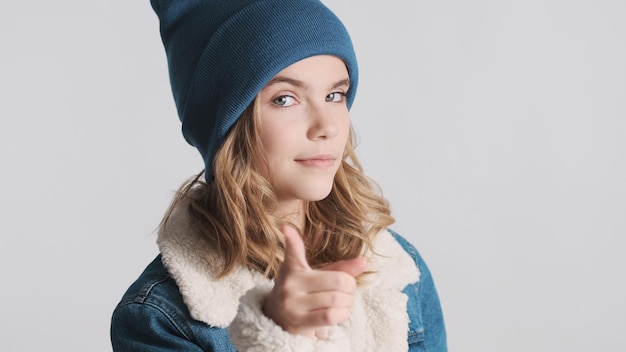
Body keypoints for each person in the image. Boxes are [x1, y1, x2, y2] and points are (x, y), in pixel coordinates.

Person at [110, 0, 447, 351]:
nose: (327, 126)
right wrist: (280, 336)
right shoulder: (159, 318)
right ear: (226, 124)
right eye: (285, 99)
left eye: (335, 95)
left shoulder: (397, 269)